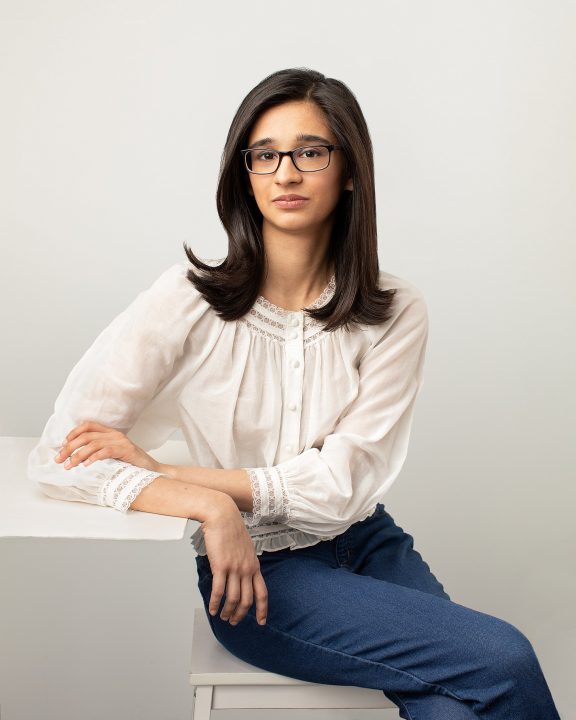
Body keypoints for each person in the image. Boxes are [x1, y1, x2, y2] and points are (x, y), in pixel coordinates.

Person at [28, 68, 561, 720]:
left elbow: (342, 483)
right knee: (502, 658)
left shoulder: (396, 313)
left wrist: (173, 473)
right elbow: (61, 453)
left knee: (454, 707)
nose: (286, 172)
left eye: (310, 151)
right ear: (244, 174)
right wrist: (211, 509)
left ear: (350, 171)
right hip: (260, 577)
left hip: (369, 544)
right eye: (265, 154)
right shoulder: (186, 301)